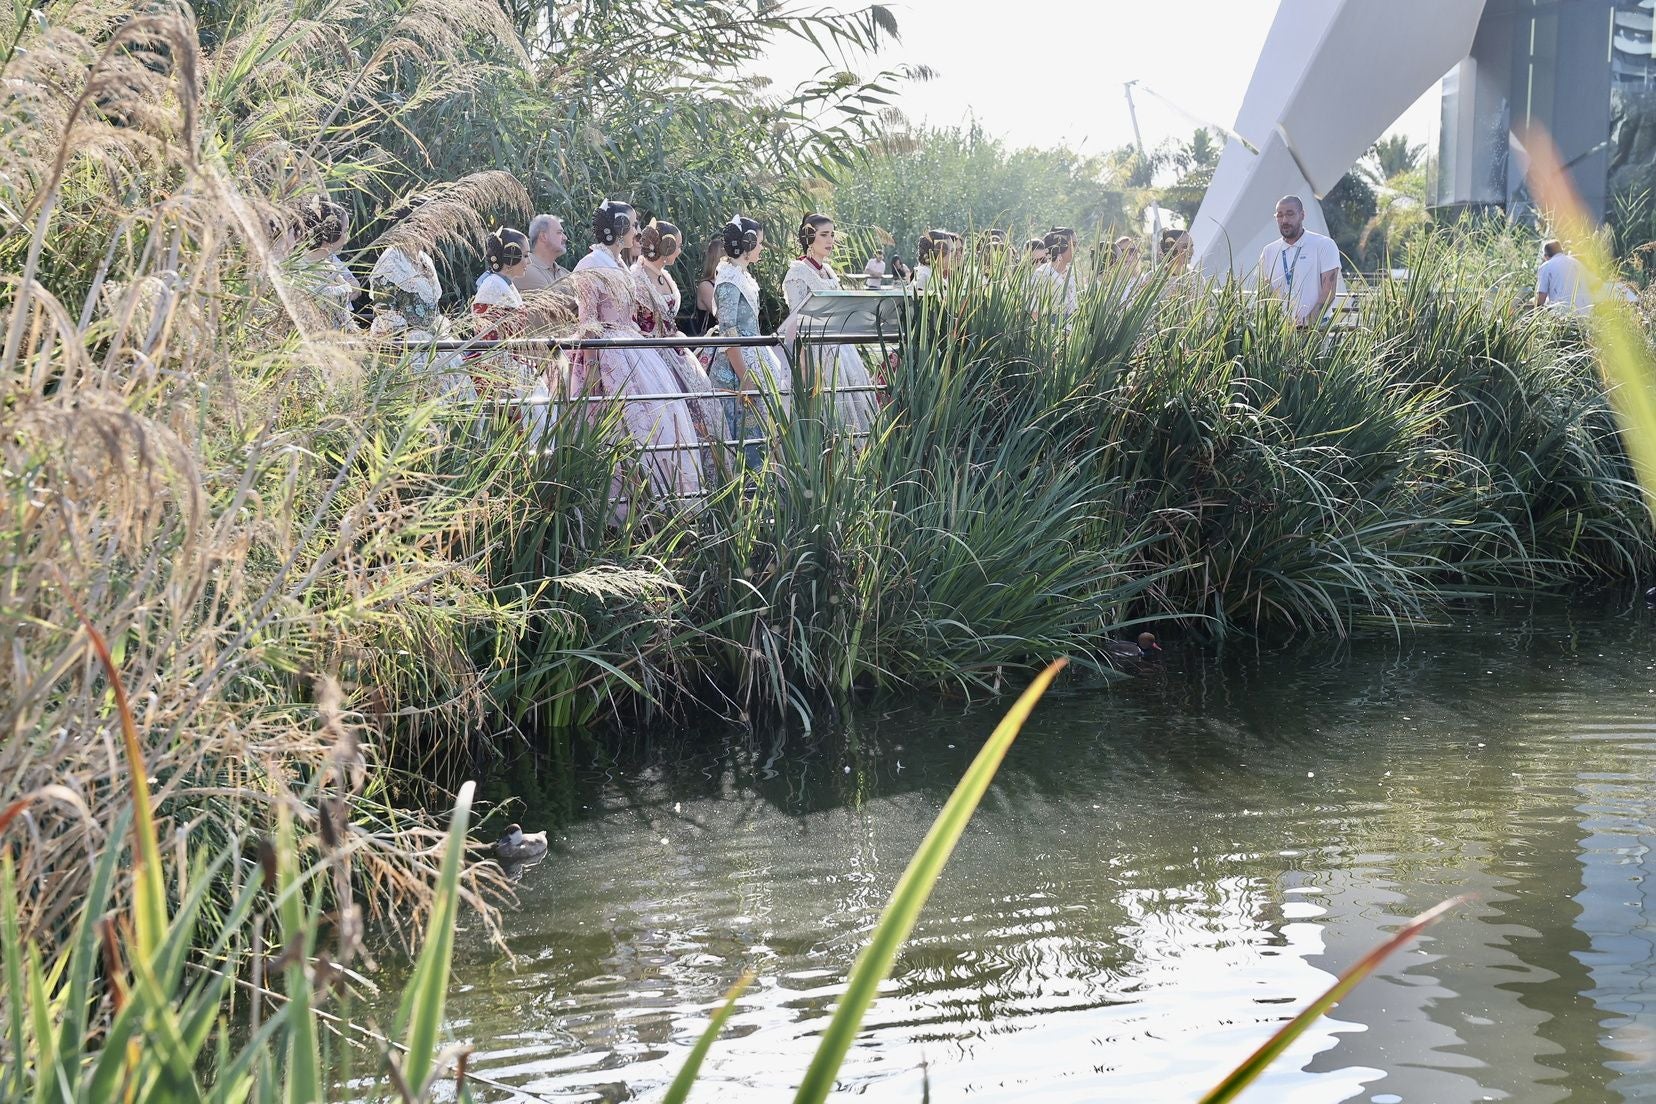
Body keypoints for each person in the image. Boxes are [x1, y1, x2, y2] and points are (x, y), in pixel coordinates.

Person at [571, 200, 703, 500]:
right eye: (633, 225)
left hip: (634, 348)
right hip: (608, 354)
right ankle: (621, 504)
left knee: (659, 419)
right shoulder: (590, 266)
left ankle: (661, 499)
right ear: (617, 230)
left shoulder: (619, 265)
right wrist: (592, 371)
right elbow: (588, 322)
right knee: (619, 427)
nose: (639, 232)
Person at [630, 219, 721, 475]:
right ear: (665, 246)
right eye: (677, 246)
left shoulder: (664, 275)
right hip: (651, 351)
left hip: (676, 349)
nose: (680, 251)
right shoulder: (636, 277)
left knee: (702, 408)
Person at [780, 213, 878, 435]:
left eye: (832, 235)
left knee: (853, 406)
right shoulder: (798, 271)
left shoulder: (829, 270)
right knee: (823, 412)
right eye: (824, 235)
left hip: (840, 347)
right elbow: (796, 321)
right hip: (814, 349)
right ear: (809, 237)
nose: (830, 240)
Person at [711, 214, 790, 471]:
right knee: (743, 434)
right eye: (759, 243)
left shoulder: (741, 276)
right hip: (737, 368)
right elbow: (728, 331)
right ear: (747, 243)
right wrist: (744, 375)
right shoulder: (728, 280)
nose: (761, 249)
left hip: (755, 357)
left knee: (764, 432)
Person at [470, 226, 554, 439]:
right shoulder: (492, 287)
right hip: (501, 373)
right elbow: (487, 343)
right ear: (511, 255)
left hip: (515, 366)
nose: (529, 262)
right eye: (525, 255)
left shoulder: (504, 285)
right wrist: (501, 385)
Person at [369, 243, 471, 398]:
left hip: (436, 343)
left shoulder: (424, 259)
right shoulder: (391, 261)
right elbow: (385, 317)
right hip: (410, 349)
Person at [1259, 195, 1340, 326]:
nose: (1284, 220)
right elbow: (1265, 294)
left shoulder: (1324, 245)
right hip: (1280, 332)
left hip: (1315, 330)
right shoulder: (1269, 251)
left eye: (1290, 214)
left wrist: (1307, 323)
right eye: (1280, 215)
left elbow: (1329, 292)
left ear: (1302, 215)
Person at [293, 196, 359, 329]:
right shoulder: (300, 266)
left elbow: (355, 289)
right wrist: (344, 291)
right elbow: (321, 300)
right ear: (332, 232)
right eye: (345, 231)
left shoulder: (328, 261)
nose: (347, 237)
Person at [1534, 239, 1597, 316]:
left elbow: (1541, 299)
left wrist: (1535, 313)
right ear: (1562, 251)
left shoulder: (1546, 266)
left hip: (1564, 316)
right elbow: (1595, 284)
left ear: (1545, 256)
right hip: (1587, 314)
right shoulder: (1577, 263)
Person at [1032, 228, 1079, 318]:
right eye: (1073, 244)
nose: (1077, 250)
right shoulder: (1041, 274)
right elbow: (1034, 313)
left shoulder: (1071, 274)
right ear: (1061, 246)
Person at [517, 213, 569, 291]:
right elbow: (552, 301)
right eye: (559, 232)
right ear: (543, 236)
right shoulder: (526, 268)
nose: (565, 238)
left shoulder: (564, 272)